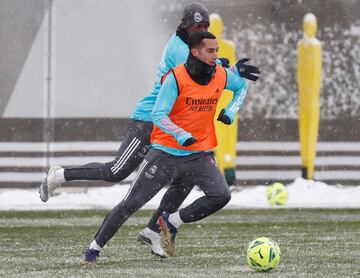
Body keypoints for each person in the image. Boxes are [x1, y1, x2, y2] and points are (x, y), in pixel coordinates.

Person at [39, 2, 259, 258]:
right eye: (195, 25)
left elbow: (214, 67)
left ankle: (155, 231)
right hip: (150, 120)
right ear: (185, 26)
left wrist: (232, 76)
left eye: (204, 26)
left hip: (177, 126)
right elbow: (206, 67)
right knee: (116, 171)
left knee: (183, 179)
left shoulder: (194, 46)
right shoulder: (179, 49)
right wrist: (232, 69)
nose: (199, 29)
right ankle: (61, 175)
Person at [83, 31, 249, 263]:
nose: (216, 56)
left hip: (198, 155)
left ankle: (172, 221)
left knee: (221, 195)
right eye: (210, 51)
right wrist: (180, 134)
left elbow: (242, 87)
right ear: (195, 52)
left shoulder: (220, 75)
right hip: (164, 154)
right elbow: (158, 114)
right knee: (131, 203)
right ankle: (94, 248)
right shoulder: (175, 78)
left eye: (217, 51)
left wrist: (230, 111)